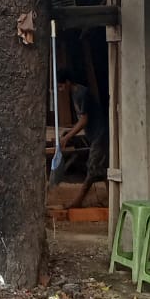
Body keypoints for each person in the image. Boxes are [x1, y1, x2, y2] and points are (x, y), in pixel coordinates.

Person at [52, 68, 108, 208]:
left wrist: (68, 137)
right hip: (95, 134)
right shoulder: (74, 93)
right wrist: (69, 133)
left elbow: (83, 120)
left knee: (93, 167)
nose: (60, 89)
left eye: (61, 86)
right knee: (102, 168)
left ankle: (78, 201)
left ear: (68, 82)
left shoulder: (81, 94)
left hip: (99, 134)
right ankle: (112, 199)